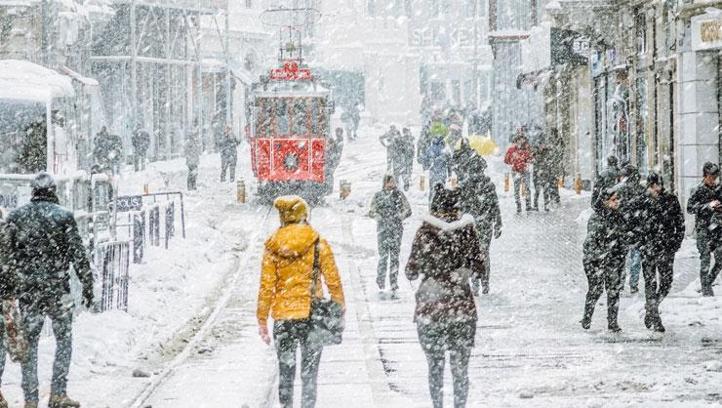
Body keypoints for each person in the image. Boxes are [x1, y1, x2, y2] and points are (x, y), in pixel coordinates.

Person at [4, 173, 94, 408]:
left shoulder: (16, 217)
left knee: (30, 344)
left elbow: (7, 257)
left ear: (32, 191)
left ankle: (31, 397)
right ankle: (58, 392)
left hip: (28, 292)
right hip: (58, 290)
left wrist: (9, 287)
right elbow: (78, 255)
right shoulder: (64, 217)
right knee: (63, 338)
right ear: (53, 191)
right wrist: (87, 285)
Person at [257, 196, 345, 408]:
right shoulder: (318, 243)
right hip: (311, 314)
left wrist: (262, 319)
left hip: (283, 317)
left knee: (286, 372)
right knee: (309, 373)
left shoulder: (273, 245)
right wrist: (340, 306)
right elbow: (333, 279)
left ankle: (286, 405)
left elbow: (266, 285)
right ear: (304, 216)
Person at [406, 185, 484, 408]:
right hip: (462, 308)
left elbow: (411, 270)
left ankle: (437, 404)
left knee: (435, 367)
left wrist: (429, 269)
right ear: (457, 208)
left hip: (431, 309)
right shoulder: (467, 231)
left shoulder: (424, 232)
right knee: (460, 369)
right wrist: (463, 271)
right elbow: (480, 266)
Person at [640, 173, 685, 332]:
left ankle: (652, 307)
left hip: (666, 248)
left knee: (666, 282)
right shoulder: (642, 201)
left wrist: (676, 243)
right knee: (650, 283)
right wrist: (641, 243)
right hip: (648, 249)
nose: (655, 189)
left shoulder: (670, 200)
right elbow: (635, 224)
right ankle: (655, 317)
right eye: (652, 186)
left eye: (657, 185)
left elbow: (680, 223)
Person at [581, 186, 626, 332]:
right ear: (605, 201)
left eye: (617, 199)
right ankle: (587, 318)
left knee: (613, 291)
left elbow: (622, 237)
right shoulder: (596, 218)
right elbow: (591, 243)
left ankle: (613, 322)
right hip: (595, 261)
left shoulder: (618, 216)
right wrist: (602, 256)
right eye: (613, 200)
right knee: (596, 289)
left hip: (613, 260)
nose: (617, 202)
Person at [459, 158, 502, 296]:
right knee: (483, 253)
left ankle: (477, 282)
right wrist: (498, 222)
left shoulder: (466, 185)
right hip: (484, 223)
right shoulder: (487, 185)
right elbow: (495, 205)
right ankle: (483, 282)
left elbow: (460, 207)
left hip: (473, 224)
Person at [369, 175, 412, 298]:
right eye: (390, 182)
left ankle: (393, 283)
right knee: (383, 257)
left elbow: (408, 210)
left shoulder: (399, 195)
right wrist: (380, 218)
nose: (392, 184)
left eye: (393, 182)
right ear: (385, 183)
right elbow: (372, 211)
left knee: (394, 257)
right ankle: (381, 282)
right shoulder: (378, 196)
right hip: (383, 231)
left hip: (396, 230)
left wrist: (400, 216)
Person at [687, 162, 722, 296]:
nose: (714, 179)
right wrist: (707, 206)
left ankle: (708, 281)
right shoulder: (698, 189)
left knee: (720, 259)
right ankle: (706, 290)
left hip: (718, 229)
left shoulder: (719, 189)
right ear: (705, 176)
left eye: (716, 176)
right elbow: (690, 208)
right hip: (703, 229)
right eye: (712, 176)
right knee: (705, 258)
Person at [617, 164, 646, 294]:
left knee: (624, 259)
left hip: (627, 228)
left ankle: (622, 283)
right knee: (634, 259)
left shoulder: (622, 190)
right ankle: (631, 284)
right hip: (635, 228)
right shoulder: (639, 190)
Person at [504, 133, 534, 214]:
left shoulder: (527, 149)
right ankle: (518, 206)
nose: (521, 142)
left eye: (522, 140)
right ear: (516, 141)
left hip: (525, 171)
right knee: (516, 189)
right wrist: (513, 162)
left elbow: (531, 159)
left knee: (527, 188)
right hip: (515, 171)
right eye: (519, 140)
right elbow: (506, 160)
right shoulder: (511, 150)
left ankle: (528, 205)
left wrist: (527, 163)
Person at [424, 137, 452, 201]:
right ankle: (440, 204)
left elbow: (425, 162)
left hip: (432, 174)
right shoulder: (446, 151)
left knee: (432, 191)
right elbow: (449, 164)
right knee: (441, 191)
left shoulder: (429, 149)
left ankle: (431, 205)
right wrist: (449, 174)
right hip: (442, 174)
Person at [531, 135, 553, 211]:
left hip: (545, 175)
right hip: (537, 175)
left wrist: (544, 169)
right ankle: (535, 206)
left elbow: (549, 163)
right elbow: (534, 163)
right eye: (541, 144)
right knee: (537, 191)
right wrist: (538, 170)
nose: (542, 146)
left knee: (546, 191)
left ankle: (546, 206)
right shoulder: (535, 153)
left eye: (543, 144)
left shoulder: (547, 152)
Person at [324, 128, 345, 193]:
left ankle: (329, 189)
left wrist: (330, 148)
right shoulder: (336, 140)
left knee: (329, 173)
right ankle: (328, 189)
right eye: (336, 132)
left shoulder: (340, 141)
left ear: (341, 133)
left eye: (338, 132)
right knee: (328, 174)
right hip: (332, 160)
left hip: (333, 160)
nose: (337, 133)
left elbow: (336, 151)